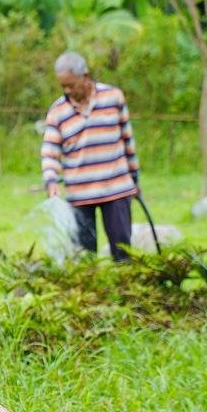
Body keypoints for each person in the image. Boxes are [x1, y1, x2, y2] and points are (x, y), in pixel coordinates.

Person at [40, 52, 141, 261]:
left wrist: (135, 178)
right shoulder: (58, 111)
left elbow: (128, 141)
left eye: (71, 85)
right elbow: (50, 151)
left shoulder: (114, 98)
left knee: (123, 254)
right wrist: (50, 180)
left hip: (116, 189)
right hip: (80, 194)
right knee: (85, 259)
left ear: (85, 76)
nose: (67, 91)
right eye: (63, 87)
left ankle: (125, 293)